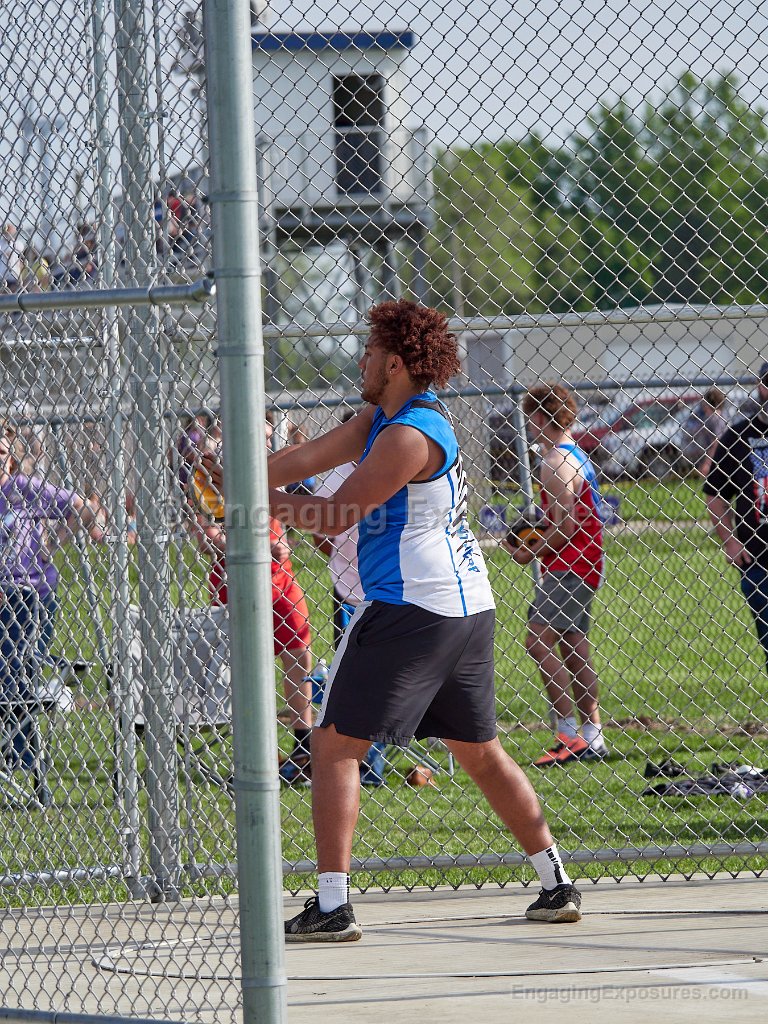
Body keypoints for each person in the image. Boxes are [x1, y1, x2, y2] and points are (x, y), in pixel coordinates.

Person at [265, 299, 582, 942]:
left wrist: (257, 499)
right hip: (463, 609)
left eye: (370, 352)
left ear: (396, 364)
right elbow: (303, 462)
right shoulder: (380, 420)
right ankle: (556, 883)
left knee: (333, 746)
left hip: (410, 607)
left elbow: (333, 515)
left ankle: (333, 905)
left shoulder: (410, 434)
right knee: (479, 752)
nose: (361, 361)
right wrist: (240, 475)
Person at [187, 416, 317, 785]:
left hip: (281, 580)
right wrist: (258, 546)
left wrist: (280, 541)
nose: (266, 442)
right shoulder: (210, 473)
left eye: (269, 437)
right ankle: (256, 755)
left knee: (299, 653)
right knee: (245, 667)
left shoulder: (273, 468)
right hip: (236, 582)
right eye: (259, 435)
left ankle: (304, 747)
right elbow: (208, 535)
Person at [506, 383, 608, 767]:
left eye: (529, 417)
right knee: (572, 644)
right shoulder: (574, 452)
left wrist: (527, 551)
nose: (528, 426)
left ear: (538, 417)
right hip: (582, 561)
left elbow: (566, 527)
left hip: (572, 564)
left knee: (537, 641)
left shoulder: (554, 462)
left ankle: (568, 735)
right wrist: (535, 536)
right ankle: (592, 736)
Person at [0, 427, 99, 798]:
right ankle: (59, 668)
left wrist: (52, 544)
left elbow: (85, 507)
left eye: (1, 452)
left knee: (16, 674)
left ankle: (19, 757)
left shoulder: (22, 489)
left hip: (29, 595)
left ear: (11, 459)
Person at [312, 408, 386, 787]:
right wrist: (344, 556)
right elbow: (319, 534)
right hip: (348, 590)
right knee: (351, 673)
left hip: (387, 587)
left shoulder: (388, 466)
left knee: (384, 672)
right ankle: (364, 758)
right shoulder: (336, 475)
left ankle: (376, 754)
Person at [704, 362, 768, 672]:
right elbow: (714, 494)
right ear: (759, 386)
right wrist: (730, 541)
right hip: (758, 561)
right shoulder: (738, 436)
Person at [680, 387, 728, 477]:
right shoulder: (712, 417)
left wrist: (707, 463)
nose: (702, 405)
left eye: (704, 402)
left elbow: (716, 443)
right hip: (711, 457)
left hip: (717, 458)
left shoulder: (715, 418)